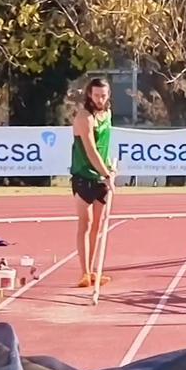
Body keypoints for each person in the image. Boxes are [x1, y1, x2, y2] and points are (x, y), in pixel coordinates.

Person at [70, 78, 116, 288]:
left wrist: (110, 167)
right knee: (85, 223)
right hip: (84, 175)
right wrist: (106, 174)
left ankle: (93, 272)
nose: (100, 99)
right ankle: (84, 272)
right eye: (96, 95)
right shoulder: (84, 117)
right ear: (89, 94)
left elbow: (104, 146)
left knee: (98, 225)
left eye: (103, 95)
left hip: (101, 177)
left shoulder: (107, 114)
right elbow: (90, 150)